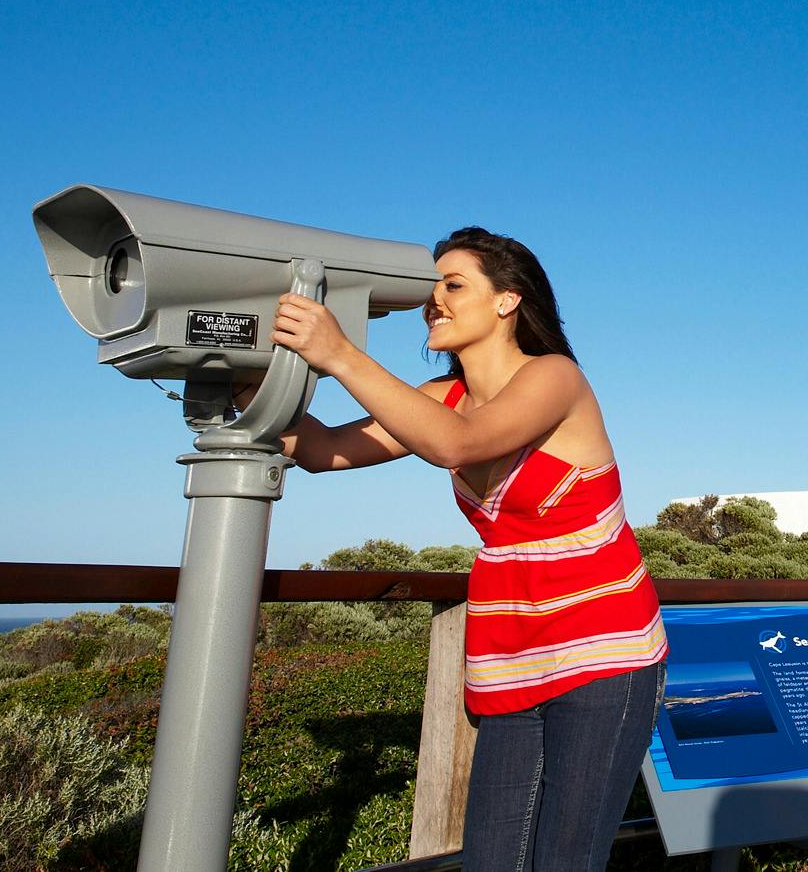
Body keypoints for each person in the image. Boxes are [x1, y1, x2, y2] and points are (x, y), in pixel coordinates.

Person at [271, 227, 667, 872]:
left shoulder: (555, 378)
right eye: (431, 291)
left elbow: (457, 444)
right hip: (509, 654)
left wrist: (339, 353)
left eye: (454, 286)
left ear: (508, 301)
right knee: (492, 859)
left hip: (605, 652)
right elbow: (318, 451)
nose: (435, 302)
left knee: (566, 860)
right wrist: (236, 371)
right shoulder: (440, 399)